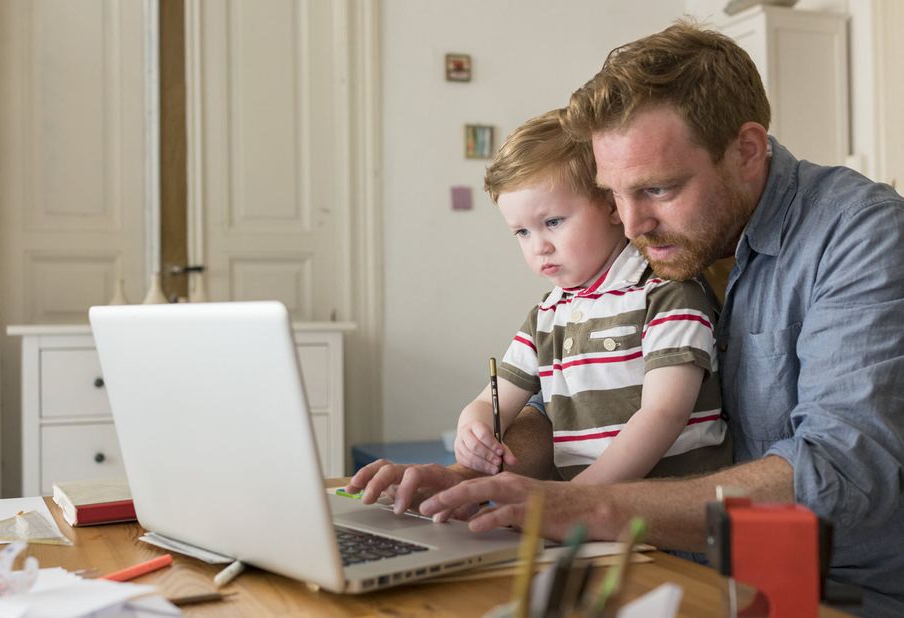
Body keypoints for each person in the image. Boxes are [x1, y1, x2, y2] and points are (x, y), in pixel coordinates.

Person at [348, 21, 904, 614]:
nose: (630, 224)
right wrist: (473, 478)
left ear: (747, 150)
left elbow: (842, 474)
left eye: (659, 189)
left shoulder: (860, 235)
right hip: (665, 561)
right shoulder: (650, 248)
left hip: (831, 594)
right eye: (613, 194)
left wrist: (587, 505)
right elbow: (566, 404)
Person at [454, 110, 730, 485]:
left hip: (669, 514)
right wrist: (473, 428)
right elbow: (492, 401)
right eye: (521, 232)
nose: (540, 247)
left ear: (612, 207)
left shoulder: (666, 293)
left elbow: (663, 414)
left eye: (553, 222)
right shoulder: (548, 315)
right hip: (585, 515)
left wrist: (582, 495)